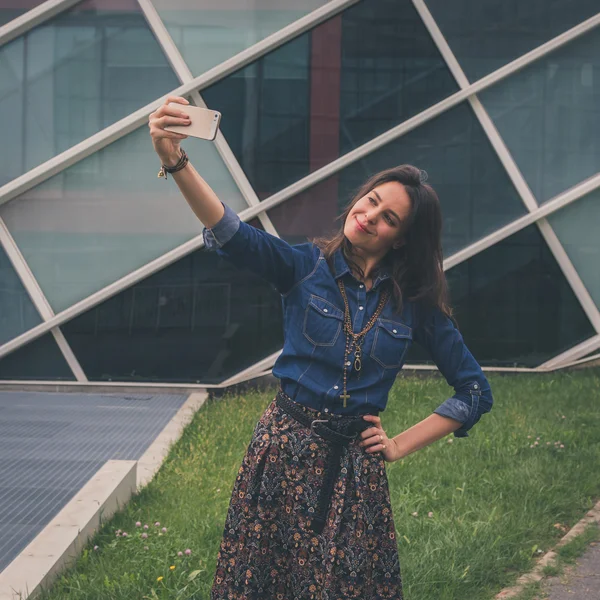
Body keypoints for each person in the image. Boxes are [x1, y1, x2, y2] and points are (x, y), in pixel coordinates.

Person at [149, 95, 493, 600]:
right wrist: (174, 160)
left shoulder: (414, 305)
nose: (371, 214)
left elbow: (474, 391)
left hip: (353, 470)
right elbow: (231, 232)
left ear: (402, 240)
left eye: (390, 218)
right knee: (261, 584)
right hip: (281, 451)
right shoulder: (303, 266)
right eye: (372, 200)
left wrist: (398, 445)